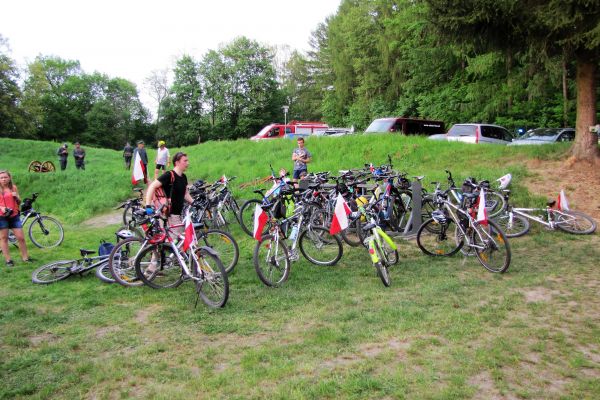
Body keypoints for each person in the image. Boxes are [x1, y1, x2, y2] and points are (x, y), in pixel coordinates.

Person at [144, 153, 193, 274]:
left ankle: (157, 265)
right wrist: (148, 205)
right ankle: (156, 266)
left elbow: (185, 194)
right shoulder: (169, 175)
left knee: (173, 240)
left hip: (177, 214)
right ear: (177, 162)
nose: (187, 163)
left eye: (187, 160)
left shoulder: (184, 177)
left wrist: (195, 202)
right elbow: (152, 187)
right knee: (177, 239)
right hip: (167, 215)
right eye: (185, 161)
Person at [0, 170, 32, 267]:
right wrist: (1, 208)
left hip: (14, 215)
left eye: (5, 177)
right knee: (4, 238)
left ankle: (25, 258)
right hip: (2, 217)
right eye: (1, 178)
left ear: (9, 178)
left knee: (21, 238)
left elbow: (18, 201)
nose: (3, 179)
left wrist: (17, 197)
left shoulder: (13, 187)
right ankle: (8, 260)